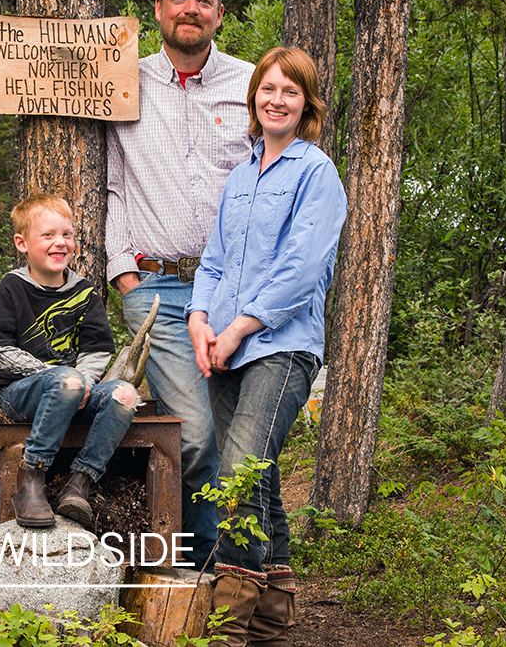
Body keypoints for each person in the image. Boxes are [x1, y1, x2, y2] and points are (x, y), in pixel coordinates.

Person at [187, 47, 346, 647]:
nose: (277, 100)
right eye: (268, 88)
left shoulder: (316, 173)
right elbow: (216, 259)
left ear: (307, 105)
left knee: (238, 471)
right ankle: (273, 618)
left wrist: (237, 328)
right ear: (254, 96)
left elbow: (302, 268)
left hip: (282, 348)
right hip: (223, 347)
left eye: (291, 91)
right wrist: (201, 320)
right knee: (262, 478)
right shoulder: (241, 175)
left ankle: (229, 624)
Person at [106, 0, 255, 569]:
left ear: (219, 13)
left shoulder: (250, 83)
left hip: (233, 292)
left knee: (232, 442)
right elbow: (109, 181)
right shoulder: (123, 83)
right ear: (159, 8)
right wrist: (124, 274)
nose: (190, 9)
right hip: (159, 293)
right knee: (194, 437)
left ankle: (225, 572)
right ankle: (193, 567)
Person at [0, 194, 139, 528]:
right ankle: (32, 481)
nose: (60, 243)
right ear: (22, 243)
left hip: (74, 390)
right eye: (48, 235)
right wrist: (57, 375)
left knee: (125, 394)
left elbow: (98, 350)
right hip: (19, 393)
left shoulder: (85, 293)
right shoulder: (13, 287)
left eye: (67, 235)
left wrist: (82, 380)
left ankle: (79, 483)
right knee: (67, 381)